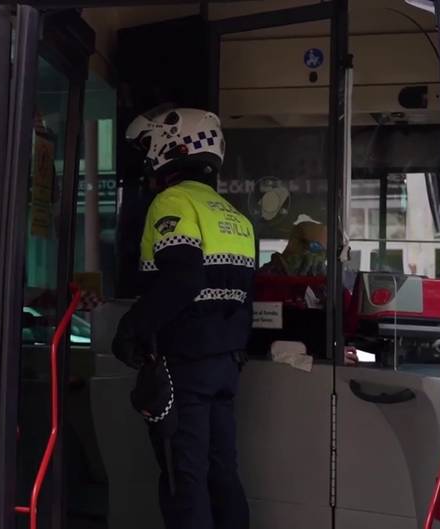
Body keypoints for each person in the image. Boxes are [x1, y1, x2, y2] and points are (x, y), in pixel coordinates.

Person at [113, 106, 254, 529]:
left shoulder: (172, 201)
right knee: (222, 476)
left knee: (183, 481)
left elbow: (182, 278)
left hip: (184, 366)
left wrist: (130, 329)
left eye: (148, 147)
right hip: (226, 365)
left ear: (170, 147)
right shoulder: (234, 216)